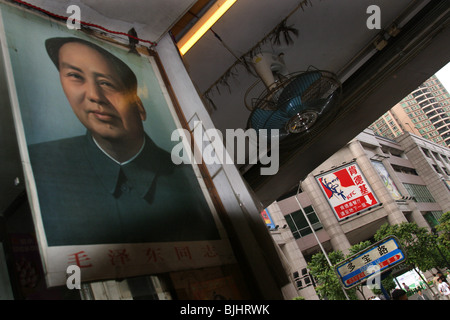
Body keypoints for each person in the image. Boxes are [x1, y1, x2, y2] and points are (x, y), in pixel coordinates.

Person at [29, 37, 220, 246]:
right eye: (75, 76)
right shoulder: (38, 168)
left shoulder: (194, 181)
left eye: (107, 83)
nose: (95, 96)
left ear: (140, 107)